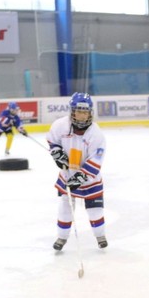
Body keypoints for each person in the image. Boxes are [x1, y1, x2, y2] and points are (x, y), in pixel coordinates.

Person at [46, 92, 107, 250]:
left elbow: (95, 160)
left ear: (90, 112)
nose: (81, 115)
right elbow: (52, 140)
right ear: (72, 111)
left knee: (95, 210)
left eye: (85, 112)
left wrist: (80, 178)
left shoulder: (96, 134)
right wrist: (57, 153)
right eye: (78, 111)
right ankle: (62, 237)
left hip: (90, 180)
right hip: (68, 174)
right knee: (65, 206)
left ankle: (100, 235)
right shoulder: (61, 125)